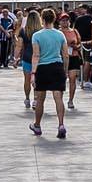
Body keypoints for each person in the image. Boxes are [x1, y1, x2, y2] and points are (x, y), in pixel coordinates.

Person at [30, 10, 71, 138]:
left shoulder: (36, 35)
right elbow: (65, 54)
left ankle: (37, 125)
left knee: (40, 99)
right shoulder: (60, 35)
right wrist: (65, 70)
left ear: (42, 19)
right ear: (54, 19)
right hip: (57, 66)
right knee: (58, 97)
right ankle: (61, 124)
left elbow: (36, 55)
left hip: (42, 68)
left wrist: (33, 72)